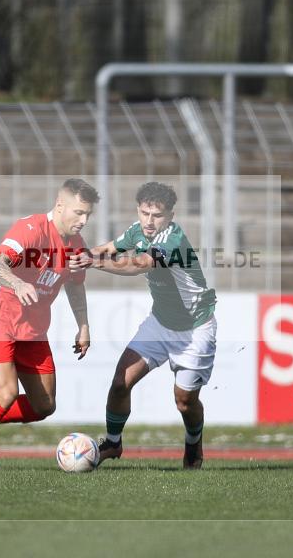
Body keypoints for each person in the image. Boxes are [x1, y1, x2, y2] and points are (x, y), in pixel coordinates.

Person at [0, 178, 99, 472]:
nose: (83, 220)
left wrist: (83, 325)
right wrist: (18, 283)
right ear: (60, 206)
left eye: (88, 215)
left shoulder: (76, 245)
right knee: (5, 393)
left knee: (44, 406)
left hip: (32, 327)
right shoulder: (31, 228)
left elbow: (75, 286)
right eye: (78, 212)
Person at [69, 182, 217, 469]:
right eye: (145, 213)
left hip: (195, 328)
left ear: (170, 215)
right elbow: (108, 248)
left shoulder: (172, 239)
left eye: (157, 215)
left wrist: (92, 262)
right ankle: (113, 442)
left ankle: (193, 443)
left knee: (184, 401)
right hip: (160, 323)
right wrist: (78, 255)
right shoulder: (138, 230)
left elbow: (138, 264)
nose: (149, 221)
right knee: (120, 383)